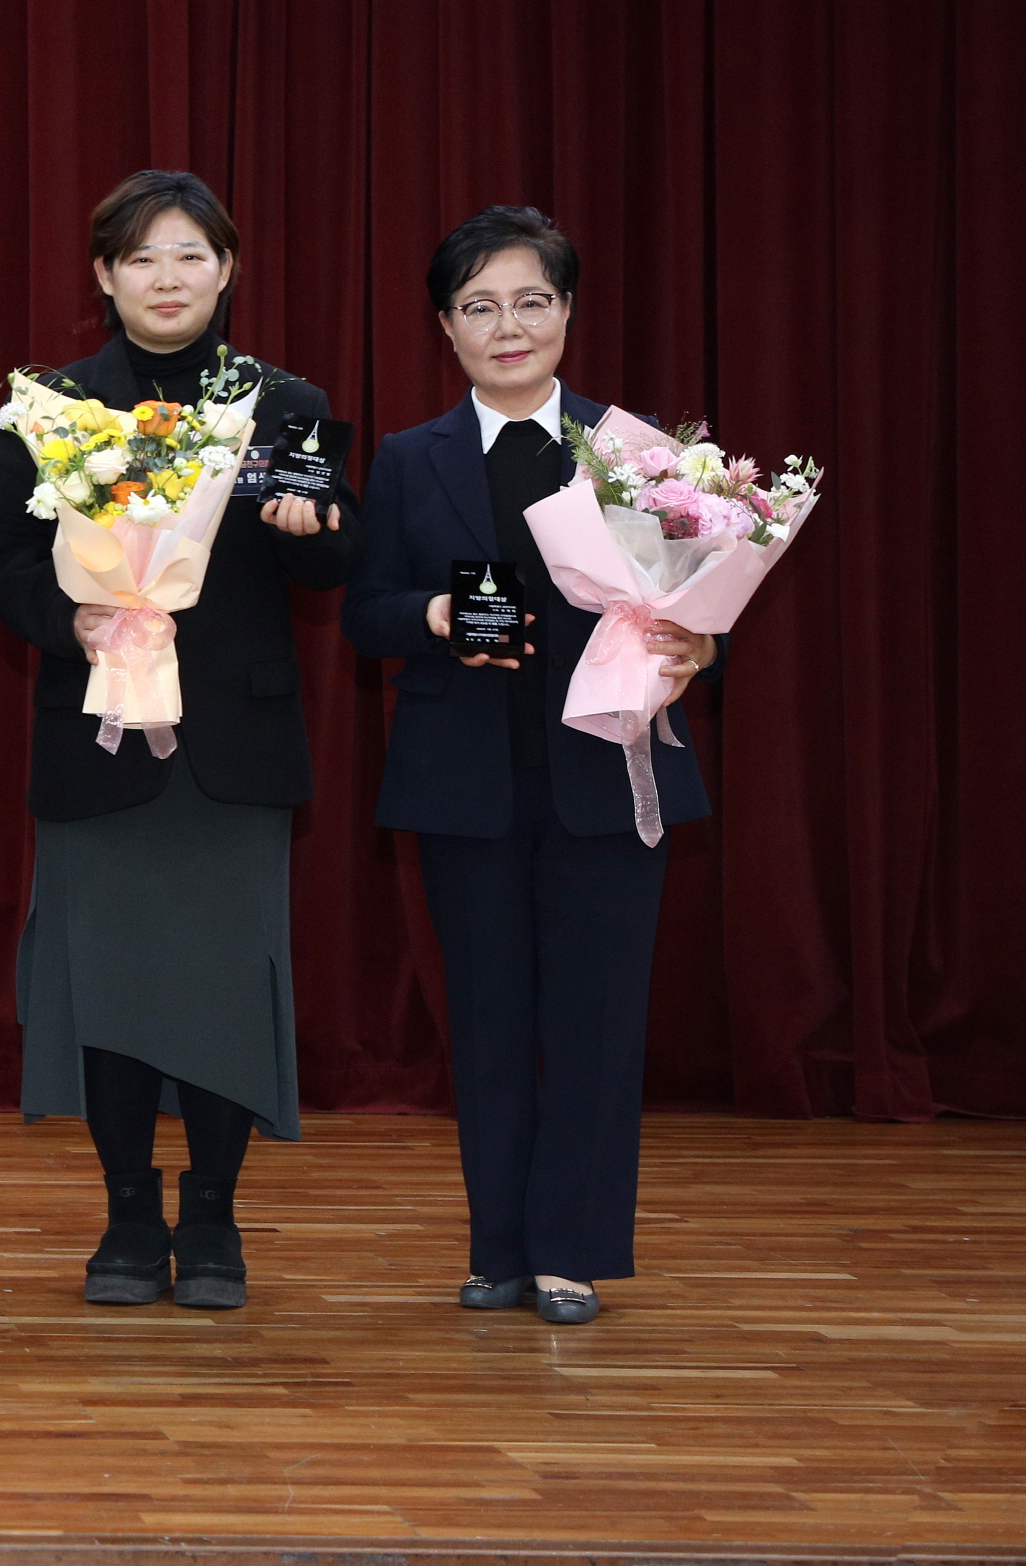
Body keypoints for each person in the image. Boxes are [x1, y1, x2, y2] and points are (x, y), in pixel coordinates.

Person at [0, 171, 359, 1310]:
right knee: (117, 987)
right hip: (97, 732)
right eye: (143, 257)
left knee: (226, 985)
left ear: (226, 267)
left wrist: (310, 524)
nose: (168, 277)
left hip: (229, 742)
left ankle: (216, 1213)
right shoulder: (51, 403)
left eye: (190, 254)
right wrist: (69, 615)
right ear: (105, 275)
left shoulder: (284, 402)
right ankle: (130, 1212)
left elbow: (335, 558)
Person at [341, 207, 719, 1326]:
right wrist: (433, 611)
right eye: (480, 306)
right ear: (446, 327)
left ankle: (573, 1250)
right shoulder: (414, 458)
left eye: (531, 301)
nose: (508, 326)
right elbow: (364, 613)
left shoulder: (634, 448)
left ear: (566, 311)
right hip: (466, 779)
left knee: (597, 1023)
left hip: (607, 771)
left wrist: (701, 641)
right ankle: (498, 1244)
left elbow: (702, 593)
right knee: (491, 1020)